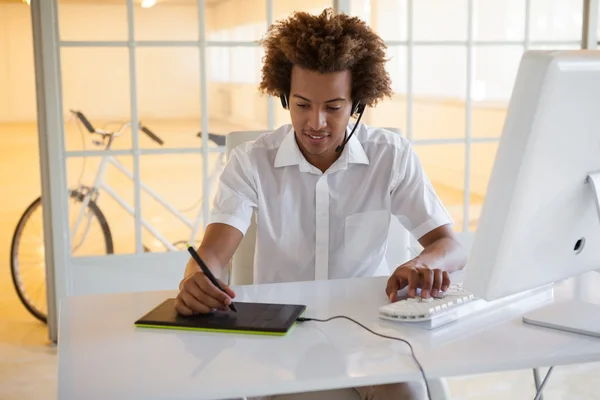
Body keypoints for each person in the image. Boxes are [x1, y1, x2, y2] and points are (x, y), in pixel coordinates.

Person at [176, 8, 467, 400]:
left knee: (413, 394)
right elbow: (213, 252)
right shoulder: (250, 162)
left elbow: (449, 246)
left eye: (333, 107)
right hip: (282, 339)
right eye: (301, 105)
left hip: (370, 332)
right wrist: (196, 279)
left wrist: (423, 263)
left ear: (358, 103)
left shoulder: (391, 156)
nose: (316, 122)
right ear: (284, 96)